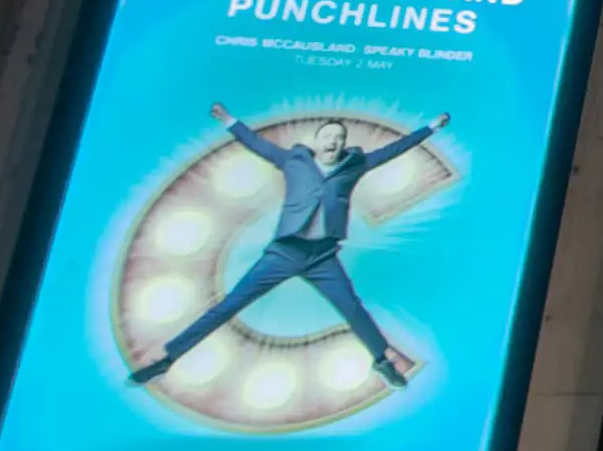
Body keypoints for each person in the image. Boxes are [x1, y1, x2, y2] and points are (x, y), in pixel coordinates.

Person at [130, 105, 449, 389]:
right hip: (285, 252)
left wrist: (430, 128)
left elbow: (395, 149)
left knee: (353, 308)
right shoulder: (294, 160)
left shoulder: (355, 165)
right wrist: (229, 121)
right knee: (227, 307)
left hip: (322, 255)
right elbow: (257, 144)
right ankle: (166, 360)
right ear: (318, 141)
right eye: (328, 136)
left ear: (343, 143)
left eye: (339, 137)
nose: (333, 141)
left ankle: (382, 360)